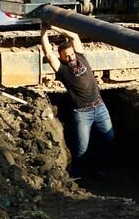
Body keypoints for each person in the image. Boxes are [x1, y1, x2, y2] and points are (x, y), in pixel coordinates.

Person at [40, 24, 113, 176]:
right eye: (67, 56)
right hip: (82, 112)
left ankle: (99, 168)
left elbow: (74, 36)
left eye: (71, 54)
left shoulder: (80, 56)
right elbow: (48, 53)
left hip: (100, 107)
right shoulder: (62, 69)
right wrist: (44, 31)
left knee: (108, 138)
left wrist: (55, 26)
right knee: (82, 147)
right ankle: (77, 175)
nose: (71, 57)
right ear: (61, 57)